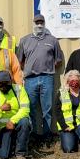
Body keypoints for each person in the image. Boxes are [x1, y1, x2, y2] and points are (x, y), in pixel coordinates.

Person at [17, 14, 64, 145]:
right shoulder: (24, 40)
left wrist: (47, 67)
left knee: (47, 109)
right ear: (33, 23)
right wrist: (29, 69)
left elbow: (58, 59)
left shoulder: (53, 40)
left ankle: (46, 136)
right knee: (31, 108)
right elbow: (19, 60)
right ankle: (33, 135)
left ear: (44, 23)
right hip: (30, 79)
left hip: (47, 78)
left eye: (41, 22)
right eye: (37, 22)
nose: (39, 25)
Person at [0, 70, 32, 159]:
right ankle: (3, 146)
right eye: (1, 83)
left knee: (25, 122)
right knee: (3, 156)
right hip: (1, 131)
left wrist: (12, 121)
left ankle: (20, 153)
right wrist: (0, 109)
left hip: (16, 125)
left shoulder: (19, 90)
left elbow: (25, 109)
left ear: (11, 81)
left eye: (6, 83)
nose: (4, 86)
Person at [54, 70, 80, 153]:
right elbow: (57, 111)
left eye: (76, 81)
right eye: (72, 81)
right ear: (67, 81)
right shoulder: (61, 93)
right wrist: (64, 126)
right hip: (67, 126)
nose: (74, 83)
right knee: (69, 149)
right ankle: (73, 139)